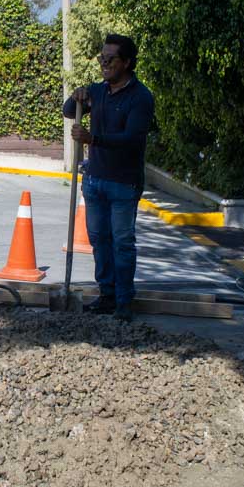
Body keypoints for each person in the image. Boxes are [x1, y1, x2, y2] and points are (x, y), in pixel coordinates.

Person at [62, 34, 156, 322]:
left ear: (127, 62)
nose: (104, 63)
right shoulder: (98, 91)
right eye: (101, 58)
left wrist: (93, 138)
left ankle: (124, 300)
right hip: (95, 179)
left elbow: (131, 139)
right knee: (99, 239)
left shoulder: (141, 97)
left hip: (124, 183)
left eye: (110, 59)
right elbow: (68, 111)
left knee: (122, 241)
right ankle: (107, 294)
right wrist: (75, 95)